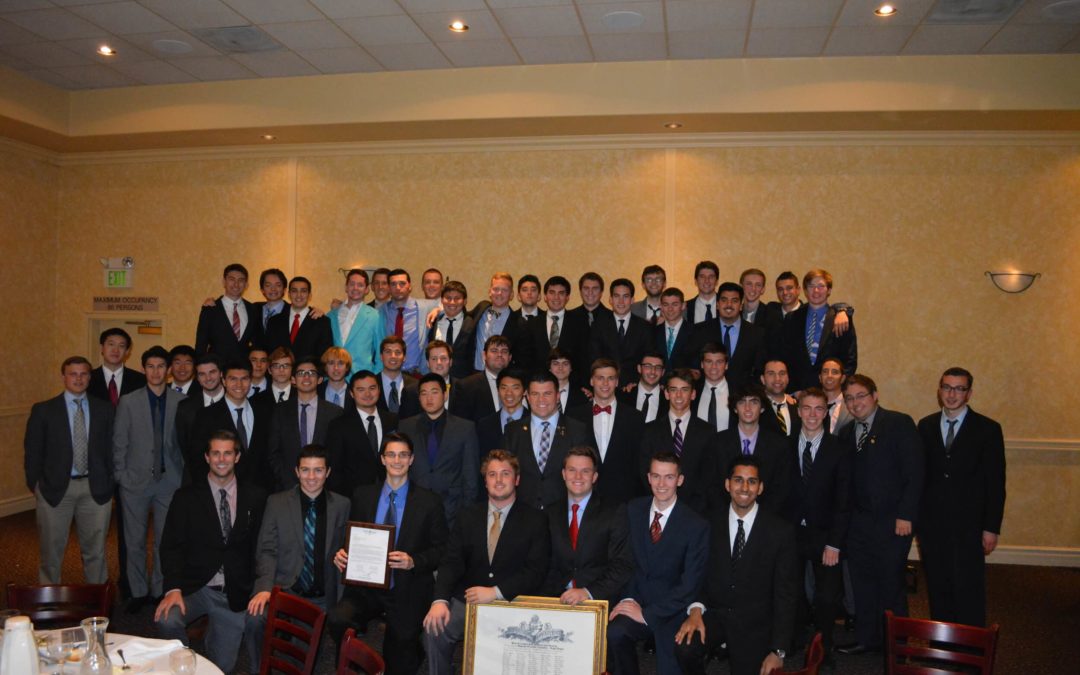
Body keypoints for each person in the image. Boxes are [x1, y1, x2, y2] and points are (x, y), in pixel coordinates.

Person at [328, 433, 448, 675]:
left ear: (411, 459)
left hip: (407, 588)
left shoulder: (429, 501)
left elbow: (442, 549)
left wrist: (413, 561)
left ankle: (412, 651)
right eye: (391, 454)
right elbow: (351, 538)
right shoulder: (363, 495)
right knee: (338, 618)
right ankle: (354, 664)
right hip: (365, 586)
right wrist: (342, 554)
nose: (397, 460)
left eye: (403, 455)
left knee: (400, 659)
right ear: (382, 459)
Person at [423, 450, 550, 675]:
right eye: (492, 474)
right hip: (468, 601)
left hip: (512, 602)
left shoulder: (535, 519)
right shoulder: (467, 516)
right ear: (485, 481)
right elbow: (451, 562)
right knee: (434, 629)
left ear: (517, 479)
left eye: (505, 474)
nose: (498, 480)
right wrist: (439, 600)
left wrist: (496, 592)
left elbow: (536, 571)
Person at [154, 431, 267, 673]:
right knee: (166, 619)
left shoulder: (256, 497)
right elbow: (171, 546)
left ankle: (213, 636)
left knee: (221, 667)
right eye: (216, 453)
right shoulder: (185, 497)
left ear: (237, 457)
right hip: (196, 587)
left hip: (233, 593)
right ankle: (182, 663)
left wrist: (261, 586)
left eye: (227, 453)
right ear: (207, 457)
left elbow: (262, 548)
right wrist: (173, 589)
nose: (221, 459)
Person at [674, 455, 797, 675]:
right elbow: (697, 573)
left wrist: (778, 651)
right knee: (685, 647)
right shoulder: (707, 523)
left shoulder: (780, 532)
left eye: (752, 481)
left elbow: (785, 595)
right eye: (738, 480)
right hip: (716, 614)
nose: (745, 488)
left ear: (760, 488)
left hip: (755, 624)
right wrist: (695, 610)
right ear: (727, 484)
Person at [837, 374, 924, 655]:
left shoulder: (898, 423)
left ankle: (897, 645)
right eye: (849, 398)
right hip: (859, 523)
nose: (855, 403)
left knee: (890, 582)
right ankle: (867, 638)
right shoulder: (847, 433)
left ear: (875, 396)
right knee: (862, 583)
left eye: (860, 395)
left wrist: (906, 514)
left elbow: (915, 473)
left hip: (893, 522)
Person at [917, 367, 1006, 627]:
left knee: (968, 589)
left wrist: (991, 527)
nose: (952, 394)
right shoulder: (926, 425)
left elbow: (995, 483)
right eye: (947, 387)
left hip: (970, 526)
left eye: (959, 389)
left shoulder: (988, 429)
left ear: (969, 393)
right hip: (933, 525)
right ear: (939, 390)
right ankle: (942, 643)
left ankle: (970, 645)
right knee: (937, 587)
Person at [248, 445, 349, 670]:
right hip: (286, 589)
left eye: (318, 470)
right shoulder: (276, 502)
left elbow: (347, 546)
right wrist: (264, 588)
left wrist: (345, 554)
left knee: (304, 663)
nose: (311, 477)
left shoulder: (343, 505)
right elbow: (266, 549)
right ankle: (258, 669)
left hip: (321, 596)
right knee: (255, 618)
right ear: (296, 471)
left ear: (328, 472)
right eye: (305, 470)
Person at [607, 452, 709, 675]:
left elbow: (690, 584)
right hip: (638, 600)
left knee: (671, 667)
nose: (661, 484)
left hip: (674, 611)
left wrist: (647, 614)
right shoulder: (633, 510)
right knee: (615, 633)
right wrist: (628, 599)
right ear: (648, 478)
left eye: (669, 477)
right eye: (656, 476)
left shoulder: (696, 525)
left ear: (680, 480)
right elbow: (624, 561)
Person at [24, 356, 115, 584]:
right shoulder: (44, 410)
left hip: (96, 489)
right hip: (55, 489)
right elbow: (33, 451)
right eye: (73, 374)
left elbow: (112, 448)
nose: (78, 379)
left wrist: (110, 480)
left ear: (90, 377)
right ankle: (49, 597)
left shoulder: (105, 409)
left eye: (83, 374)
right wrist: (36, 484)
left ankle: (97, 597)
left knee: (95, 551)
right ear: (63, 377)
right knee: (51, 552)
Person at [112, 346, 185, 612]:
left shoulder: (180, 401)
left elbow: (184, 443)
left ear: (168, 371)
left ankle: (160, 589)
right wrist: (121, 475)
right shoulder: (128, 402)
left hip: (169, 481)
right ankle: (138, 591)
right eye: (151, 366)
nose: (156, 372)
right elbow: (119, 441)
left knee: (165, 540)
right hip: (135, 481)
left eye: (161, 366)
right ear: (143, 369)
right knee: (135, 540)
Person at [785, 387, 850, 659]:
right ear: (799, 412)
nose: (812, 414)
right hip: (792, 533)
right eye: (807, 408)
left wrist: (835, 543)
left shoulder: (839, 448)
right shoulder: (785, 445)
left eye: (819, 409)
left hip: (826, 536)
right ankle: (795, 640)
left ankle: (823, 648)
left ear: (826, 413)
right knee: (793, 592)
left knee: (826, 596)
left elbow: (844, 500)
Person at [544, 446, 634, 604]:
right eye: (572, 470)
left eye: (585, 471)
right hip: (555, 600)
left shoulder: (614, 512)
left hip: (597, 599)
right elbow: (543, 563)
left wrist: (588, 592)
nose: (578, 476)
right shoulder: (549, 513)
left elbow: (622, 564)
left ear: (594, 476)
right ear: (564, 474)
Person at [398, 373, 479, 529]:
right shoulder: (405, 426)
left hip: (452, 510)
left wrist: (465, 512)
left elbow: (470, 475)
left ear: (445, 394)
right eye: (424, 393)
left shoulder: (465, 428)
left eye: (434, 392)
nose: (429, 398)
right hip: (414, 508)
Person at [502, 372, 589, 510]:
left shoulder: (577, 430)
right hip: (524, 512)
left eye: (547, 394)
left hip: (563, 513)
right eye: (535, 394)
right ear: (528, 397)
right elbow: (507, 472)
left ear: (557, 396)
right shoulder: (513, 430)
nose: (541, 400)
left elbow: (586, 475)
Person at [638, 369, 717, 514]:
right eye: (674, 390)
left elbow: (709, 475)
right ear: (667, 394)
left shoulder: (707, 432)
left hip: (696, 510)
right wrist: (661, 501)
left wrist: (695, 507)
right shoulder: (650, 430)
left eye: (684, 390)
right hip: (658, 506)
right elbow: (644, 471)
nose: (679, 395)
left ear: (693, 394)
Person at [567, 359, 646, 503]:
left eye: (610, 378)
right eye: (600, 378)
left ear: (617, 382)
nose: (605, 383)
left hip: (623, 498)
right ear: (591, 381)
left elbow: (639, 462)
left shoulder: (635, 418)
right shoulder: (574, 416)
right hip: (584, 496)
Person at [191, 360, 274, 491]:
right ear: (223, 381)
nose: (239, 384)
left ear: (250, 380)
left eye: (244, 379)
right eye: (233, 379)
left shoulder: (265, 412)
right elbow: (198, 458)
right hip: (221, 489)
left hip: (260, 490)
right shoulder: (206, 415)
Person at [715, 383, 794, 515]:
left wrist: (758, 517)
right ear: (735, 408)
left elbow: (782, 489)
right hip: (725, 516)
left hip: (767, 518)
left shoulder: (779, 445)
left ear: (762, 408)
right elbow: (712, 486)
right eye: (742, 402)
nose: (747, 408)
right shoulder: (717, 443)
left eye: (754, 402)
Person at [266, 356, 343, 491]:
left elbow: (338, 455)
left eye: (311, 373)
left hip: (325, 487)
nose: (306, 377)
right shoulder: (280, 411)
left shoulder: (335, 412)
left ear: (320, 379)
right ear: (293, 379)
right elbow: (273, 452)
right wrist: (288, 482)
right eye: (301, 373)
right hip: (287, 487)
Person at [783, 269, 858, 392]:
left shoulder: (841, 319)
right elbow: (786, 356)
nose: (816, 290)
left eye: (821, 286)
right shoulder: (791, 319)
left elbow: (850, 360)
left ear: (829, 290)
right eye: (811, 286)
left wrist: (837, 389)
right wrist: (793, 391)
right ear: (805, 291)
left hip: (830, 392)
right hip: (799, 392)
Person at [325, 370, 398, 493]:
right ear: (351, 393)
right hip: (354, 495)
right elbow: (334, 468)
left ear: (379, 390)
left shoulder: (393, 420)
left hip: (390, 491)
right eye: (361, 390)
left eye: (372, 388)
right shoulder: (339, 425)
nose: (367, 394)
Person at [692, 281, 767, 388]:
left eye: (734, 301)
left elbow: (759, 370)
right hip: (708, 392)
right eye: (724, 300)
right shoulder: (700, 331)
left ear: (741, 305)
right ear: (717, 304)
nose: (729, 305)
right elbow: (695, 368)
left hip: (743, 394)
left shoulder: (757, 334)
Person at [590, 277, 653, 387]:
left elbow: (648, 360)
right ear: (610, 300)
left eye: (625, 296)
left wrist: (637, 382)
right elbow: (595, 359)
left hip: (635, 387)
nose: (621, 301)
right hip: (606, 386)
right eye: (616, 296)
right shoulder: (598, 326)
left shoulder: (645, 327)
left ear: (632, 300)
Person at [524, 275, 590, 377]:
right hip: (539, 382)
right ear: (545, 296)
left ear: (567, 297)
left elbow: (584, 359)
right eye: (552, 293)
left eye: (561, 293)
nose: (556, 297)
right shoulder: (532, 324)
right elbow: (527, 359)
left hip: (571, 382)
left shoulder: (580, 323)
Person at [195, 263, 261, 364]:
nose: (236, 284)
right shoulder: (210, 309)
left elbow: (256, 342)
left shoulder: (253, 309)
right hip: (217, 368)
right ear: (224, 282)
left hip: (243, 368)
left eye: (241, 280)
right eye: (231, 279)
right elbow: (201, 345)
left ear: (246, 285)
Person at [379, 269, 440, 375]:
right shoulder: (381, 311)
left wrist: (438, 309)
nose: (398, 288)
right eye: (393, 284)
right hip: (390, 372)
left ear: (410, 286)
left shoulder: (425, 306)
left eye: (402, 283)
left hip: (418, 373)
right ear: (389, 288)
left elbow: (451, 306)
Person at [176, 354, 225, 483]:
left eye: (212, 372)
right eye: (202, 374)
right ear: (197, 378)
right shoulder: (185, 407)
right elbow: (183, 445)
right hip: (196, 478)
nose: (208, 378)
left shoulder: (235, 400)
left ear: (221, 373)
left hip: (233, 476)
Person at [468, 272, 529, 371]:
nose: (499, 293)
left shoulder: (520, 324)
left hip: (502, 377)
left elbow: (522, 359)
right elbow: (461, 314)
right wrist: (441, 310)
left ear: (511, 295)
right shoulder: (481, 308)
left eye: (504, 290)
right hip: (475, 374)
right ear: (490, 292)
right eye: (496, 289)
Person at [330, 268, 386, 376]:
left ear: (366, 289)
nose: (355, 288)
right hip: (334, 376)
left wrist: (374, 376)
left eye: (360, 285)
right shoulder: (331, 316)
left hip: (362, 377)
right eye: (352, 284)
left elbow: (381, 351)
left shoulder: (375, 316)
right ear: (346, 287)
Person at [265, 276, 333, 361]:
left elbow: (324, 356)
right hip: (281, 369)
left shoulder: (322, 322)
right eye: (294, 291)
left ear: (309, 295)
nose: (299, 295)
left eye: (303, 291)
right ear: (289, 294)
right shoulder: (274, 321)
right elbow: (270, 352)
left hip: (309, 369)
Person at [450, 335, 511, 423]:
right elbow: (461, 424)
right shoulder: (466, 386)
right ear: (484, 355)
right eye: (494, 351)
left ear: (510, 357)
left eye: (504, 351)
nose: (499, 355)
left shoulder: (520, 385)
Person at [475, 369, 527, 465]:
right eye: (504, 388)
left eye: (515, 388)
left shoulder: (534, 421)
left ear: (525, 391)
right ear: (498, 390)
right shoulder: (484, 425)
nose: (509, 393)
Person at [427, 280, 476, 379]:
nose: (452, 302)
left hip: (463, 380)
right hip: (437, 378)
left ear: (465, 301)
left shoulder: (472, 323)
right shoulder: (433, 321)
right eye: (448, 298)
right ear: (442, 300)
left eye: (457, 298)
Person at [88, 327, 147, 405]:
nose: (115, 350)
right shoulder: (88, 378)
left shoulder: (140, 380)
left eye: (121, 346)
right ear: (102, 348)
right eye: (111, 344)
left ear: (127, 351)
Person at [693, 342, 732, 433]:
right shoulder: (693, 391)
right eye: (709, 361)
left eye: (719, 362)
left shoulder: (737, 392)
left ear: (726, 365)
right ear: (702, 364)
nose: (714, 367)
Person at [655, 287, 696, 371]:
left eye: (675, 304)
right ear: (661, 306)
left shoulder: (696, 332)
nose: (670, 309)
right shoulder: (653, 332)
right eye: (666, 305)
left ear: (683, 306)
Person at [759, 358, 801, 438]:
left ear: (788, 378)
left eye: (782, 373)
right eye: (771, 374)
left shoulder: (798, 407)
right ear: (763, 379)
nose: (777, 378)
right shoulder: (756, 408)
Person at [377, 336, 418, 415]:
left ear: (404, 357)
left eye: (398, 352)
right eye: (388, 352)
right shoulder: (371, 384)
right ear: (381, 356)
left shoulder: (416, 385)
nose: (393, 356)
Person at [625, 351, 667, 423]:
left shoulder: (669, 400)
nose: (653, 372)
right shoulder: (624, 395)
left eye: (658, 367)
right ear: (639, 368)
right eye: (648, 366)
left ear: (663, 372)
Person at [819, 357, 853, 435]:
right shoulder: (808, 405)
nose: (829, 376)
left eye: (835, 372)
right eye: (825, 372)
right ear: (820, 378)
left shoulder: (852, 406)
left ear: (843, 378)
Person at [549, 347, 588, 413]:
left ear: (571, 368)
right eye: (556, 363)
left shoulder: (583, 395)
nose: (560, 367)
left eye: (565, 364)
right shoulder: (540, 393)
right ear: (549, 368)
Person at [685, 260, 720, 325]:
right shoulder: (685, 307)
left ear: (717, 281)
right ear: (696, 281)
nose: (707, 281)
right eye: (702, 277)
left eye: (711, 277)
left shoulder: (725, 305)